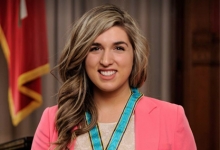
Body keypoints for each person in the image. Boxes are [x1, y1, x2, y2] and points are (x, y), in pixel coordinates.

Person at [31, 4, 197, 150]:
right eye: (95, 48)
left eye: (118, 48)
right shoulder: (53, 119)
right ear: (81, 56)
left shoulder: (171, 117)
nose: (106, 60)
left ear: (134, 55)